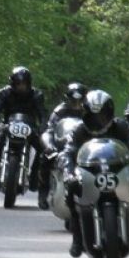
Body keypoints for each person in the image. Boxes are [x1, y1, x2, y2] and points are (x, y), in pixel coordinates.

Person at [60, 89, 129, 257]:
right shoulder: (79, 130)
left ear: (110, 114)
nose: (98, 120)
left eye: (102, 116)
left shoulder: (121, 126)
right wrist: (69, 175)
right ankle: (77, 237)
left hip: (118, 171)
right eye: (93, 116)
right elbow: (68, 152)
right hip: (89, 173)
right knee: (71, 191)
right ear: (85, 114)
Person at [0, 66, 47, 187]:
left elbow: (42, 114)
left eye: (24, 83)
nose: (21, 86)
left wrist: (43, 127)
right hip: (8, 126)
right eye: (18, 83)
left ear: (29, 83)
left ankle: (34, 174)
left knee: (44, 149)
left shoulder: (37, 95)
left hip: (30, 128)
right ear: (13, 83)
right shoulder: (4, 93)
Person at [36, 82, 88, 210]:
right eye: (74, 101)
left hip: (84, 145)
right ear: (67, 99)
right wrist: (49, 145)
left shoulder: (89, 112)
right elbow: (49, 130)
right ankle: (43, 193)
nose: (77, 105)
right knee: (45, 158)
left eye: (80, 101)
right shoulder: (59, 111)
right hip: (62, 144)